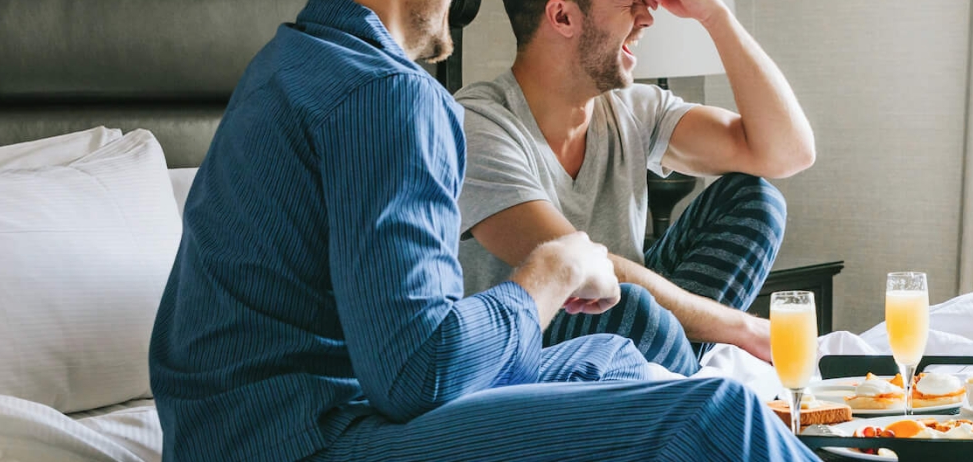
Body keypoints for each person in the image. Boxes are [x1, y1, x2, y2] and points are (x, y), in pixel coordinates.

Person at [147, 0, 818, 460]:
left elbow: (387, 340)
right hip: (309, 438)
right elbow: (418, 373)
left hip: (228, 433)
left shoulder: (289, 59)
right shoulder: (392, 93)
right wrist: (553, 269)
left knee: (615, 358)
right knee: (710, 412)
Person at [457, 0, 816, 376]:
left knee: (755, 201)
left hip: (632, 315)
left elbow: (789, 154)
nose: (647, 18)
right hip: (525, 347)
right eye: (631, 4)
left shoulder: (633, 108)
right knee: (628, 306)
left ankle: (674, 369)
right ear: (562, 16)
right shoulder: (476, 125)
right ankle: (691, 383)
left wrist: (716, 16)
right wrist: (744, 329)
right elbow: (579, 269)